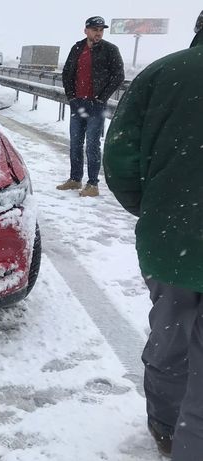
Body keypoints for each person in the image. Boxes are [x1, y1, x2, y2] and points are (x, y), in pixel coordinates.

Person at [103, 10, 203, 460]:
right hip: (173, 233)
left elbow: (120, 157)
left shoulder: (162, 73)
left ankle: (166, 427)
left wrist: (155, 209)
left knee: (170, 339)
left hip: (172, 242)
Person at [58, 16, 124, 197]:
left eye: (101, 30)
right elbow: (66, 73)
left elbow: (118, 75)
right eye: (95, 29)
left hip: (96, 105)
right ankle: (75, 179)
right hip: (77, 103)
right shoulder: (77, 48)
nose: (98, 33)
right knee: (75, 144)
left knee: (92, 145)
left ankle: (93, 184)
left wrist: (101, 98)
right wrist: (71, 97)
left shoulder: (110, 50)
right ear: (86, 30)